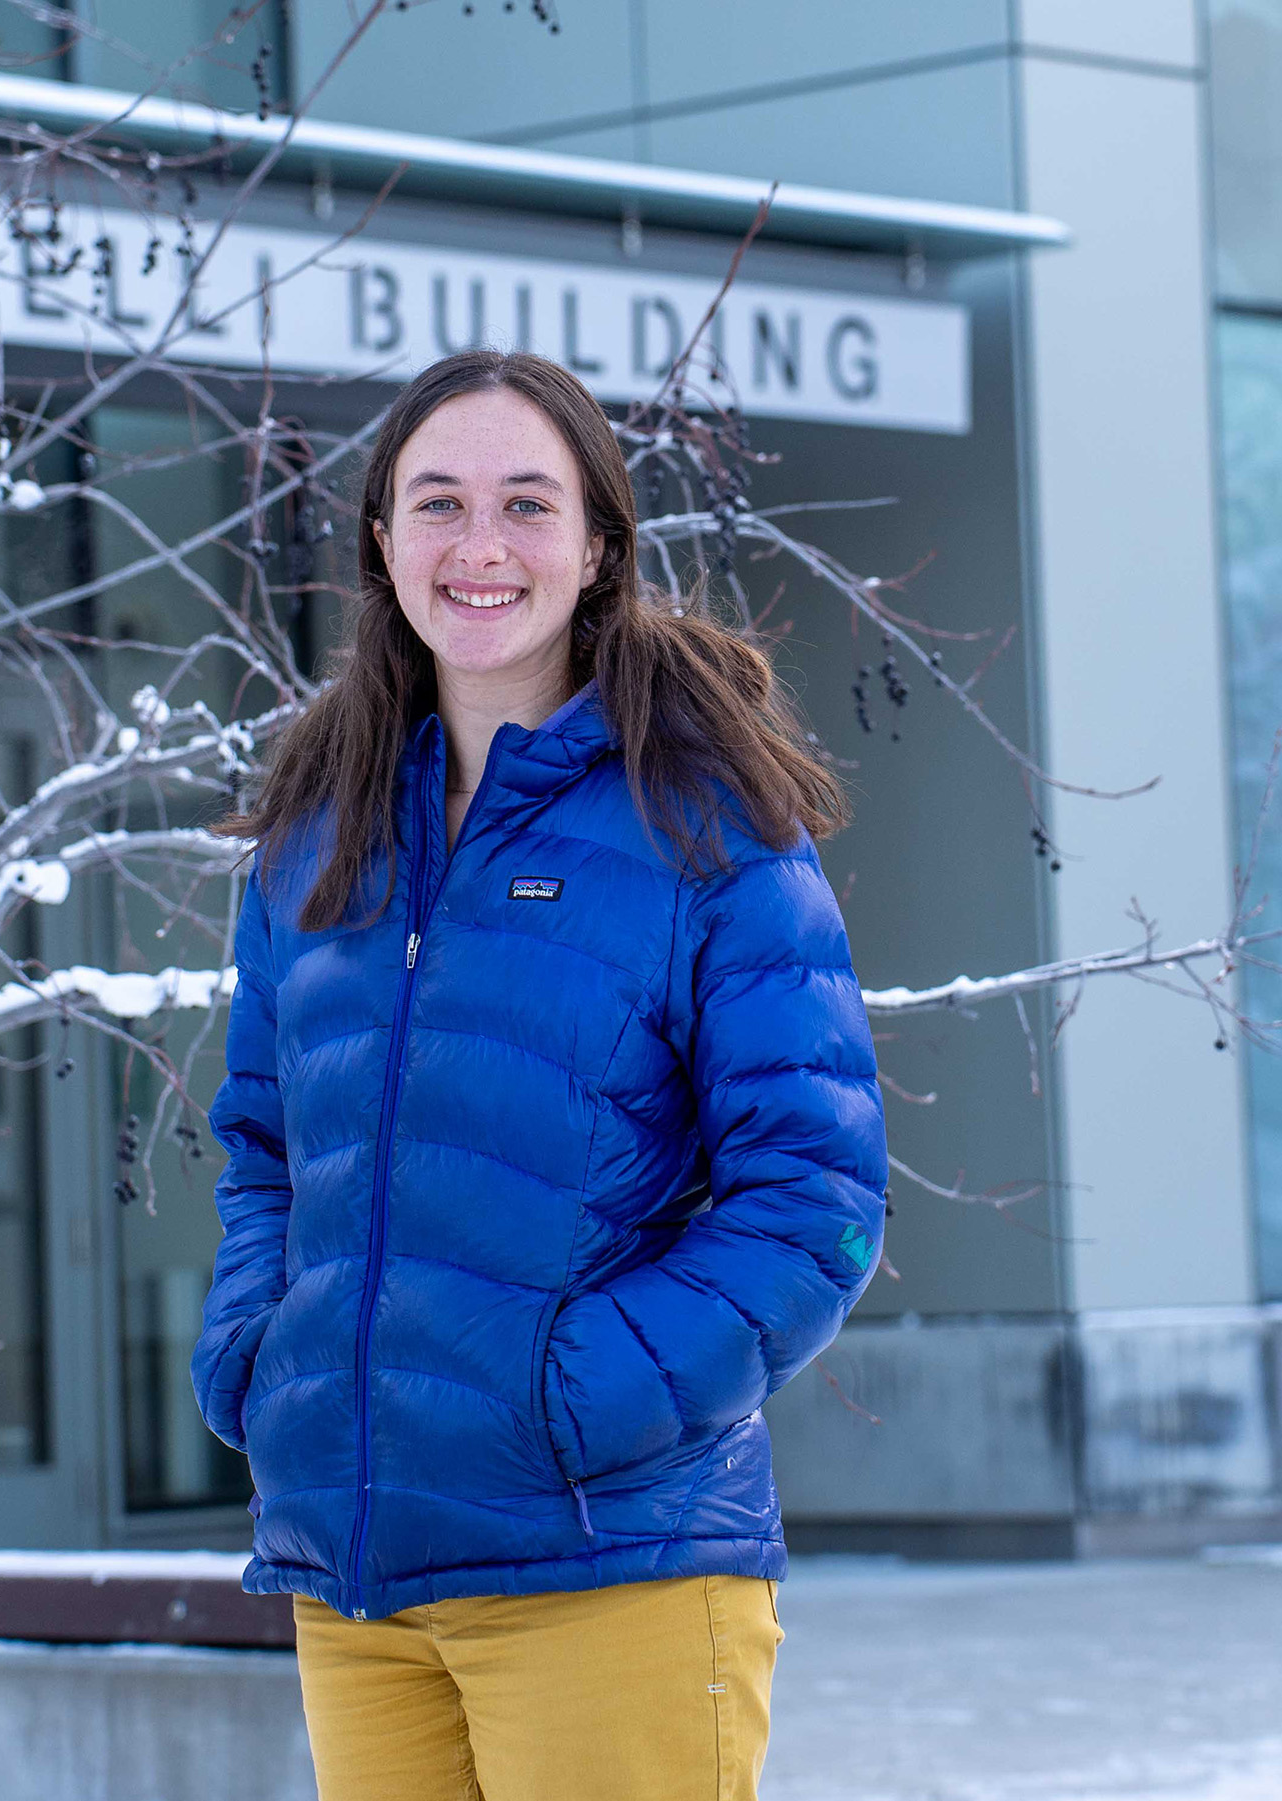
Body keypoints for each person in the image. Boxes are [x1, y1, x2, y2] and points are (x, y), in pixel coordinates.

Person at [194, 348, 888, 1801]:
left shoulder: (705, 819)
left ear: (595, 547)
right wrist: (264, 1359)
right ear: (382, 542)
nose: (481, 546)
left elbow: (813, 1192)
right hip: (361, 1573)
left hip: (605, 1558)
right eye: (437, 503)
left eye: (526, 502)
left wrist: (574, 1397)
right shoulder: (315, 832)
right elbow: (264, 1146)